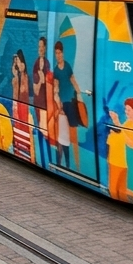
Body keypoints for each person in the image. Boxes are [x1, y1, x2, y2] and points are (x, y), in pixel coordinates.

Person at [53, 41, 84, 169]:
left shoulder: (67, 66)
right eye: (56, 53)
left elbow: (73, 80)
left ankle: (77, 164)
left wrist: (79, 93)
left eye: (59, 53)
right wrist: (58, 105)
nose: (58, 56)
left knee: (73, 135)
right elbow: (56, 88)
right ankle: (61, 162)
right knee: (62, 136)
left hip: (70, 103)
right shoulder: (56, 70)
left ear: (63, 53)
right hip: (62, 106)